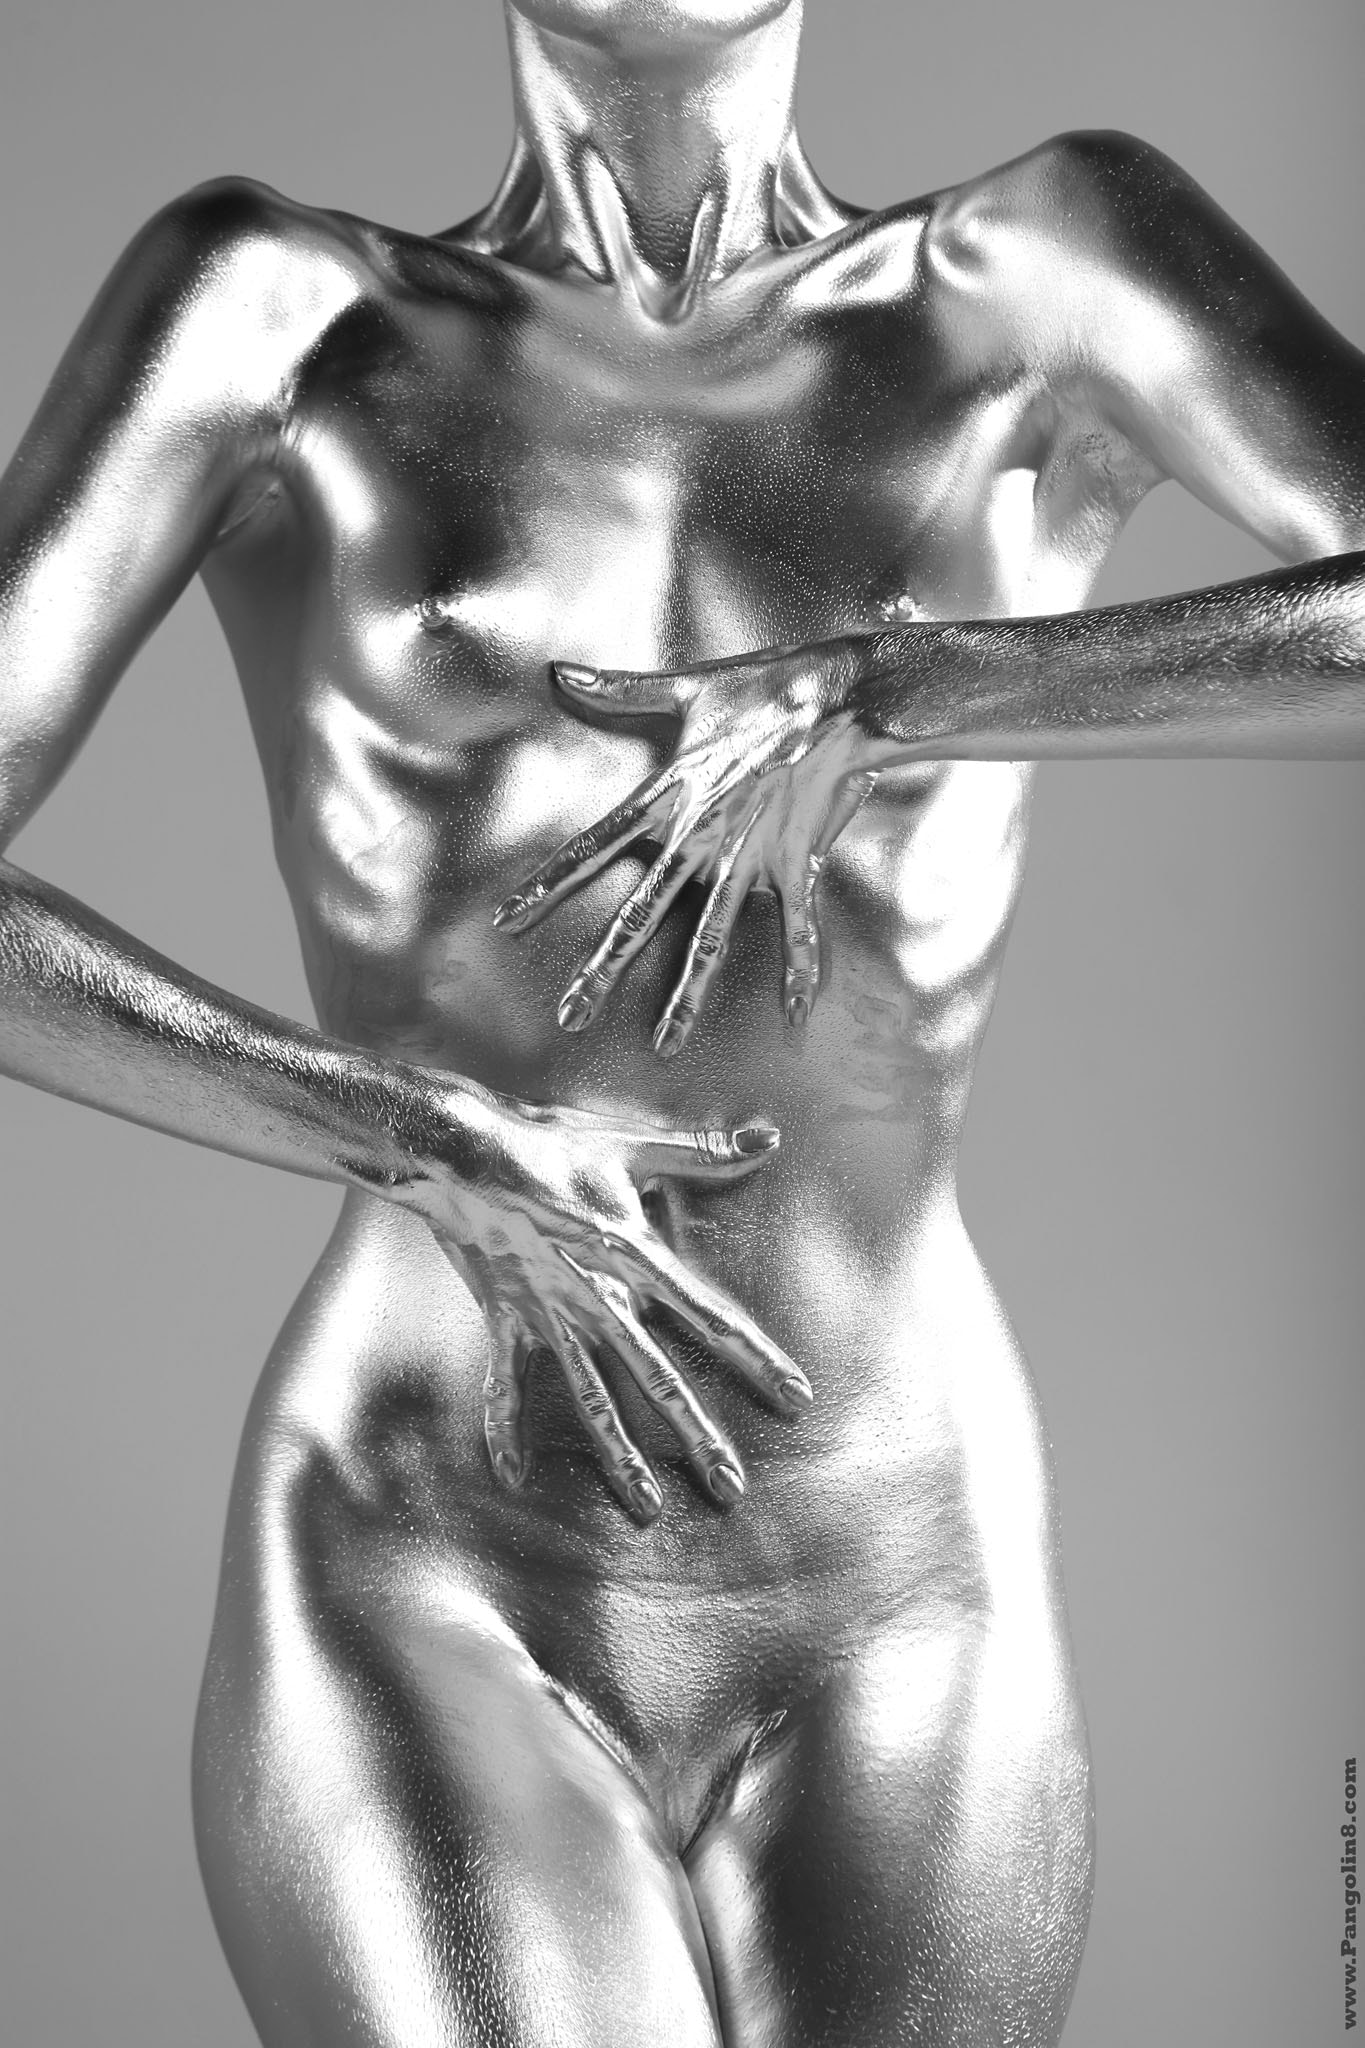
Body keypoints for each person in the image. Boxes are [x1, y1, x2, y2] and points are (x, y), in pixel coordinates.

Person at [1, 0, 1361, 2042]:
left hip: (898, 1566)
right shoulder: (280, 310)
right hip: (435, 1546)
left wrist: (903, 687)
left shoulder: (1045, 270)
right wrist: (396, 1128)